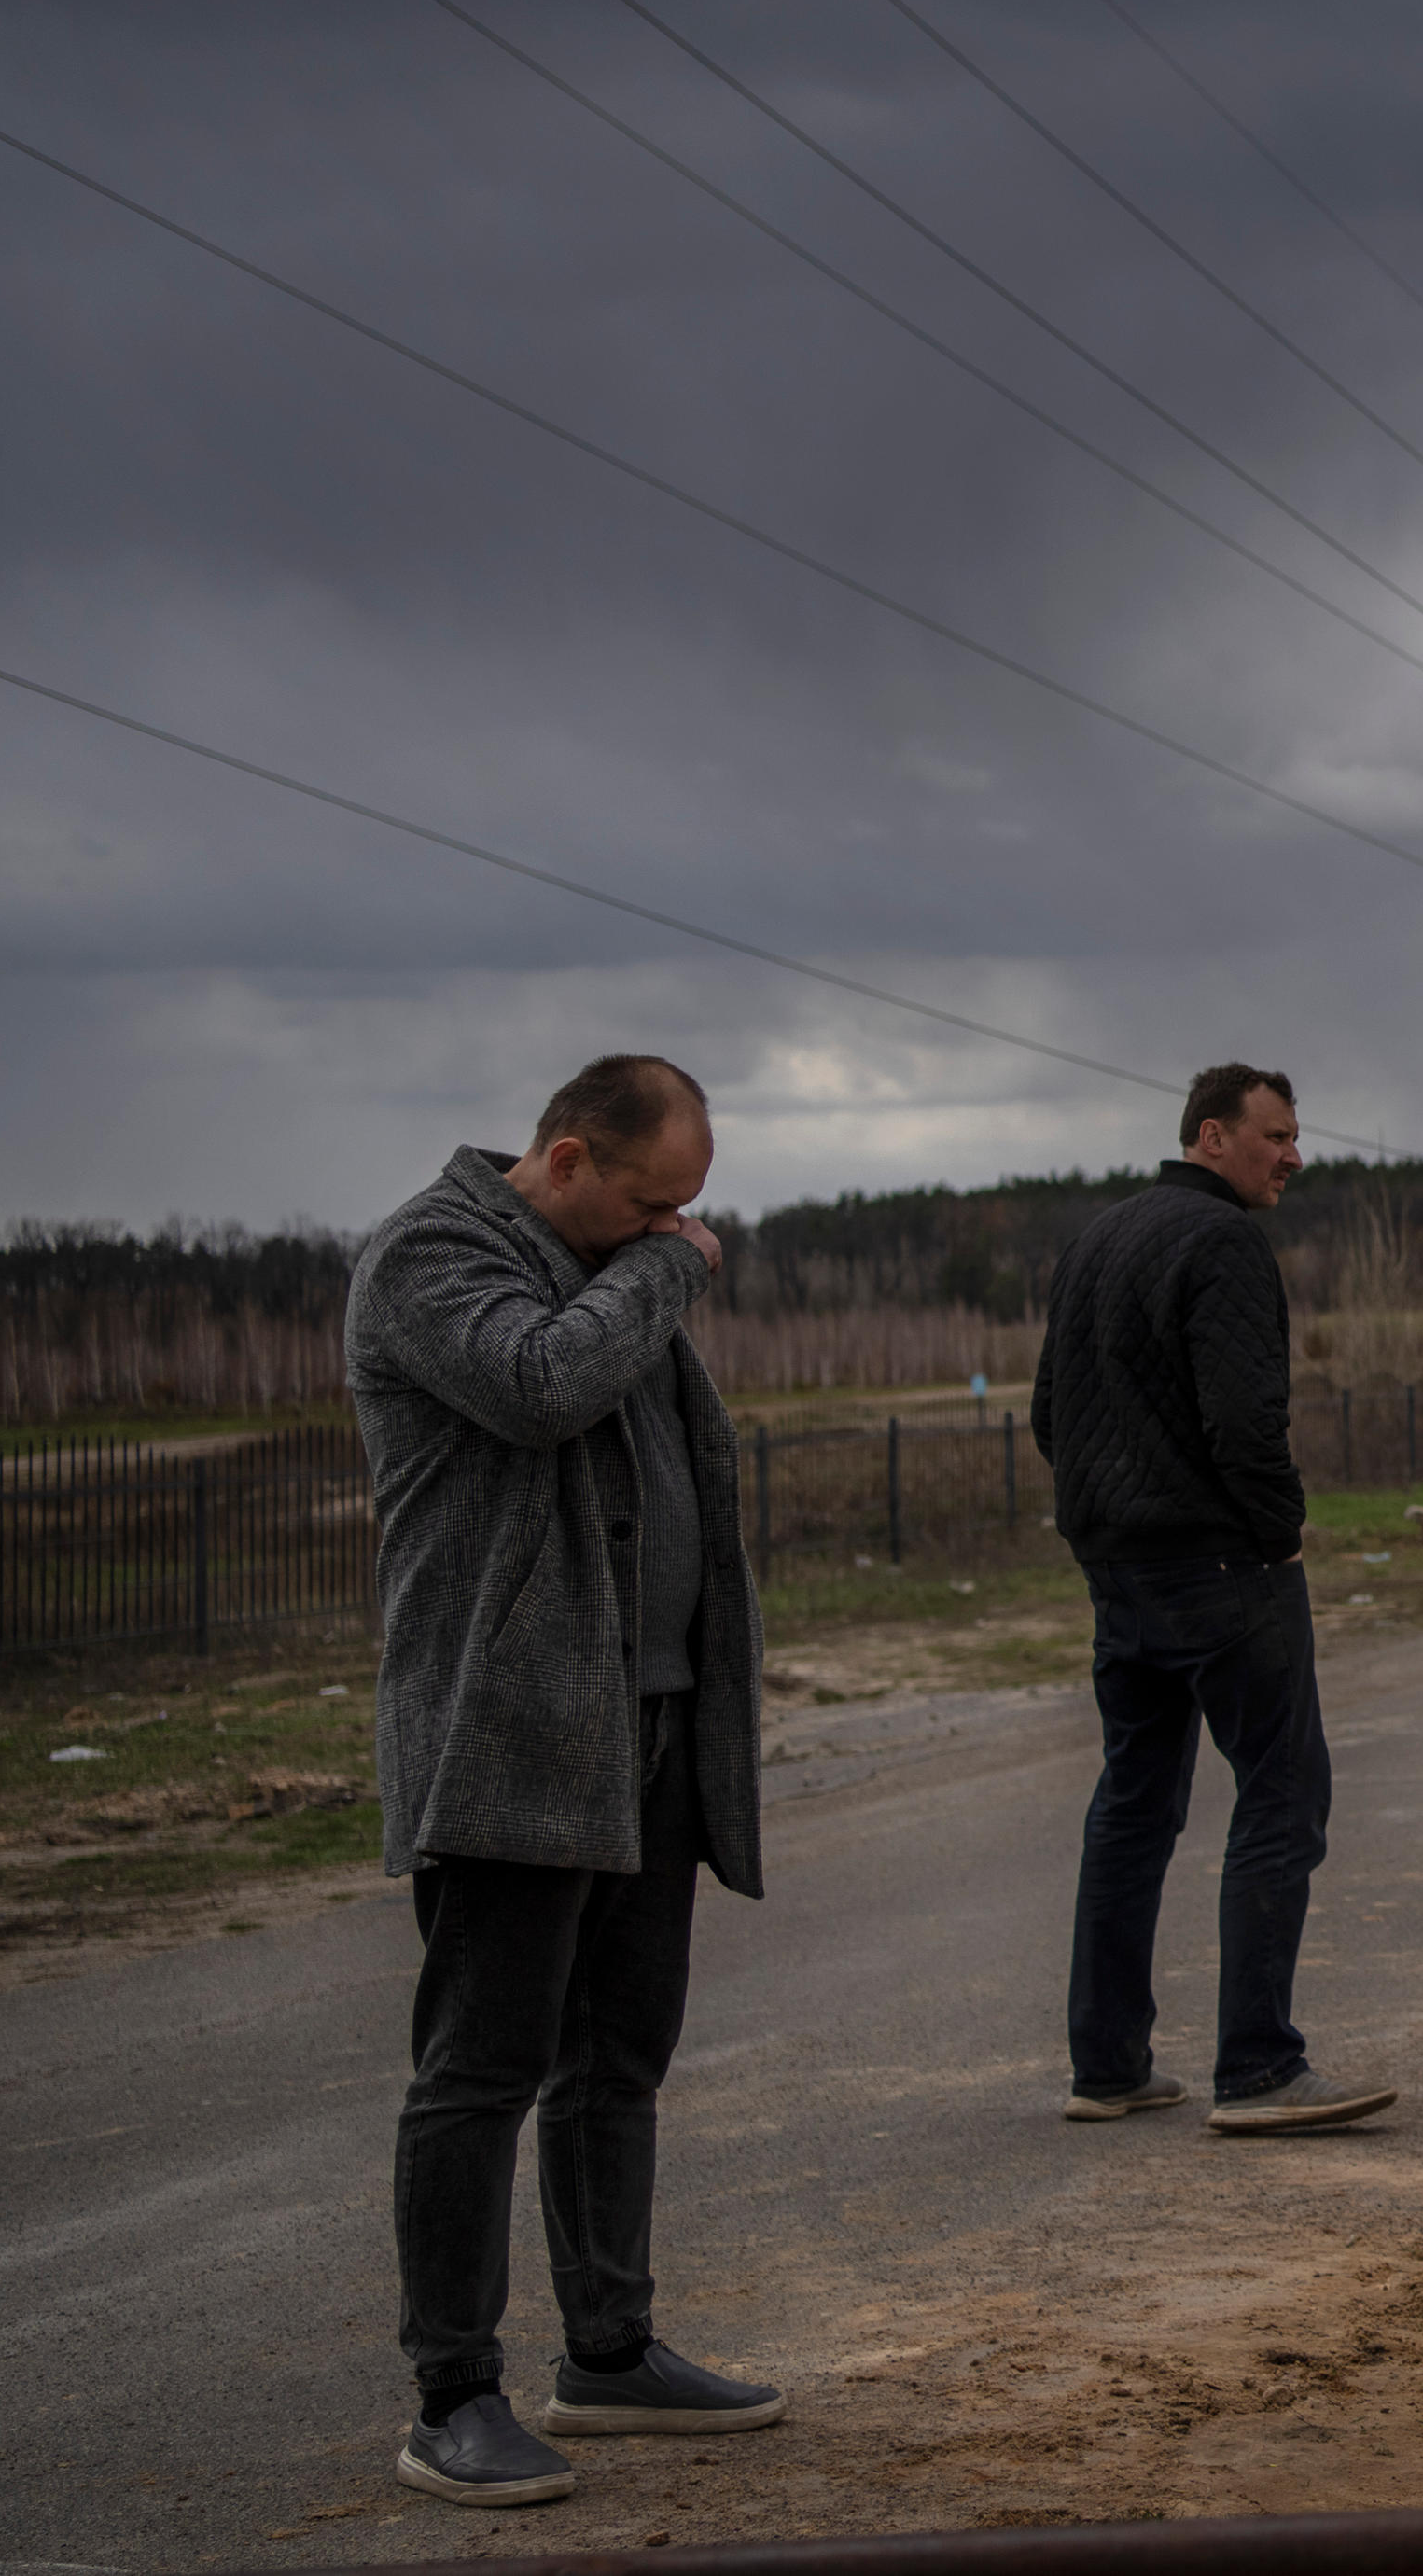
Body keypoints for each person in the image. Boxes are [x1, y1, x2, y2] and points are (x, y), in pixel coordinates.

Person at [347, 1055, 787, 2507]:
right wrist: (666, 1275)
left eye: (689, 1218)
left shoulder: (602, 1265)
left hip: (643, 1727)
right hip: (511, 1739)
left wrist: (639, 1268)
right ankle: (450, 2397)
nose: (677, 1235)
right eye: (655, 1206)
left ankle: (608, 2349)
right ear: (564, 1157)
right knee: (481, 2068)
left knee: (618, 2058)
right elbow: (539, 1385)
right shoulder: (434, 1252)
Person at [1035, 1063, 1395, 2137]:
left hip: (1118, 1575)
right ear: (1210, 1137)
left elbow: (1053, 1412)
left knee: (1133, 1808)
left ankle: (1107, 2068)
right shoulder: (1225, 1242)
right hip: (1224, 1574)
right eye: (1275, 1136)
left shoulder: (1100, 1236)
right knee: (1282, 1796)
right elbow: (1247, 1422)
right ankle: (1258, 2070)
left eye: (1295, 1137)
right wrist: (1279, 1532)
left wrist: (1113, 1516)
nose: (1293, 1156)